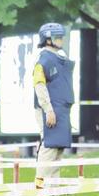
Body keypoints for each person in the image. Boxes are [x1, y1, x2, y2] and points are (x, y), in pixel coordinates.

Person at [33, 23, 75, 180]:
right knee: (49, 146)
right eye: (57, 37)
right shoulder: (43, 59)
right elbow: (39, 85)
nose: (61, 40)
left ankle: (53, 188)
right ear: (48, 39)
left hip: (61, 109)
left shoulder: (59, 57)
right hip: (50, 109)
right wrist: (48, 109)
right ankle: (40, 186)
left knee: (58, 149)